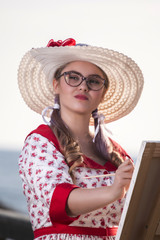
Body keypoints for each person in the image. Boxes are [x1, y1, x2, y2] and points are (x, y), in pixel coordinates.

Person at [18, 38, 144, 240]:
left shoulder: (115, 152)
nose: (83, 86)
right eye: (73, 77)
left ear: (102, 94)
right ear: (56, 85)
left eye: (93, 81)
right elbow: (61, 202)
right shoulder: (41, 142)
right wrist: (113, 191)